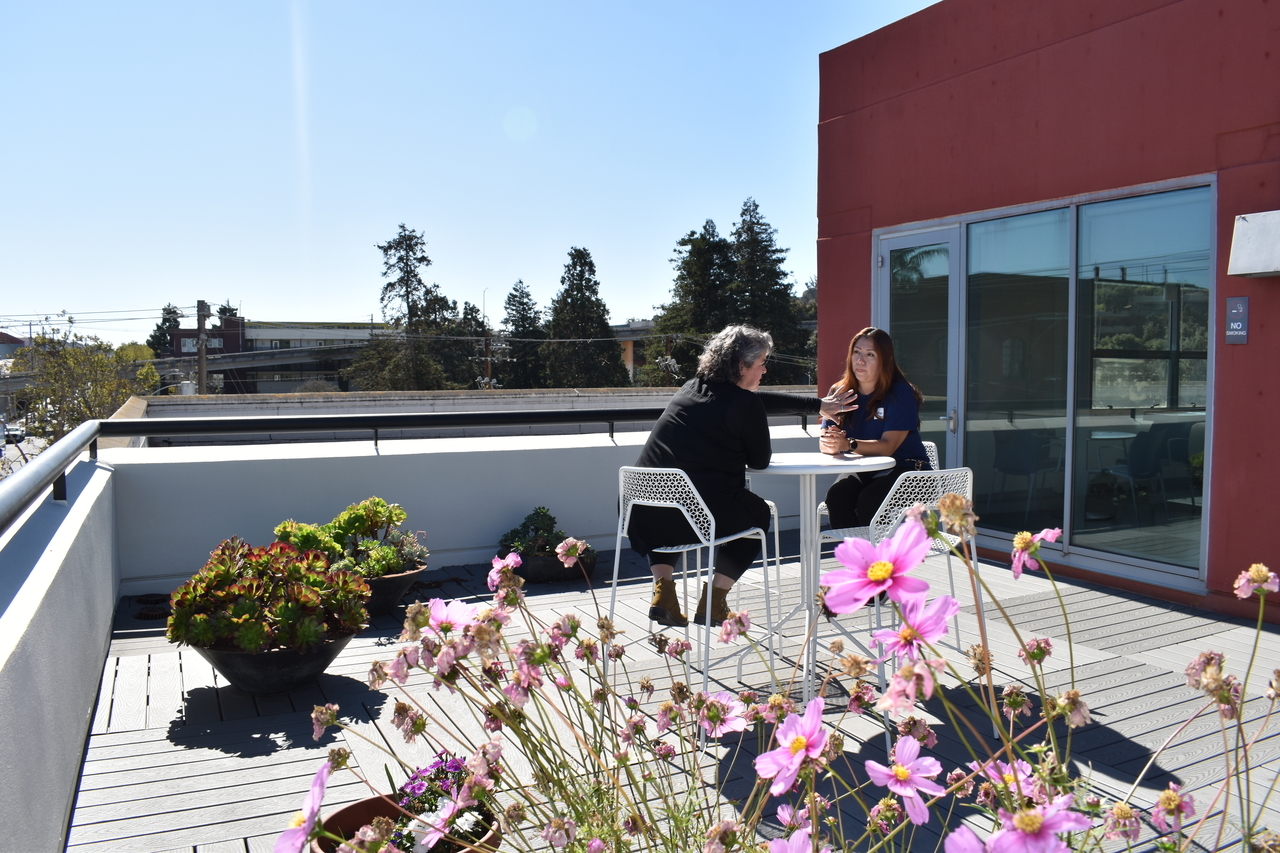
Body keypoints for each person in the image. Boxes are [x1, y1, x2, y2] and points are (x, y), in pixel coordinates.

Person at [628, 325, 856, 627]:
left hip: (640, 511)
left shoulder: (690, 387)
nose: (764, 369)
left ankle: (664, 592)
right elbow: (759, 460)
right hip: (691, 518)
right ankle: (714, 600)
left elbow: (754, 400)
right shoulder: (743, 404)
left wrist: (817, 406)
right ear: (741, 365)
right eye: (761, 362)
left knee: (668, 499)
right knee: (757, 513)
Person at [819, 327, 932, 530]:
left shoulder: (900, 392)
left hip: (909, 470)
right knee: (837, 496)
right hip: (865, 467)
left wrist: (848, 444)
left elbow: (888, 447)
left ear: (885, 360)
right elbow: (825, 443)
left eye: (870, 354)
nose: (860, 360)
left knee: (869, 500)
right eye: (856, 352)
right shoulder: (839, 392)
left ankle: (880, 560)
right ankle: (856, 558)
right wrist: (832, 443)